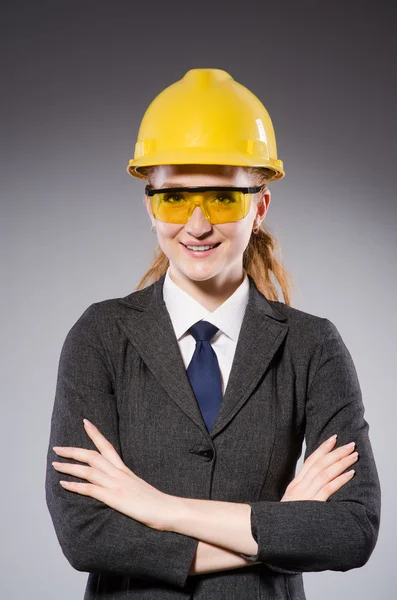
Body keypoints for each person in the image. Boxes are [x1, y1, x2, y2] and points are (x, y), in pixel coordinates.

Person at [45, 68, 381, 600]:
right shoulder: (101, 336)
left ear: (260, 207)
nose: (197, 225)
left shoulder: (312, 347)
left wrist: (160, 509)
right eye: (174, 199)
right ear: (149, 206)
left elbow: (351, 530)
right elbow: (84, 533)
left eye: (223, 199)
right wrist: (276, 528)